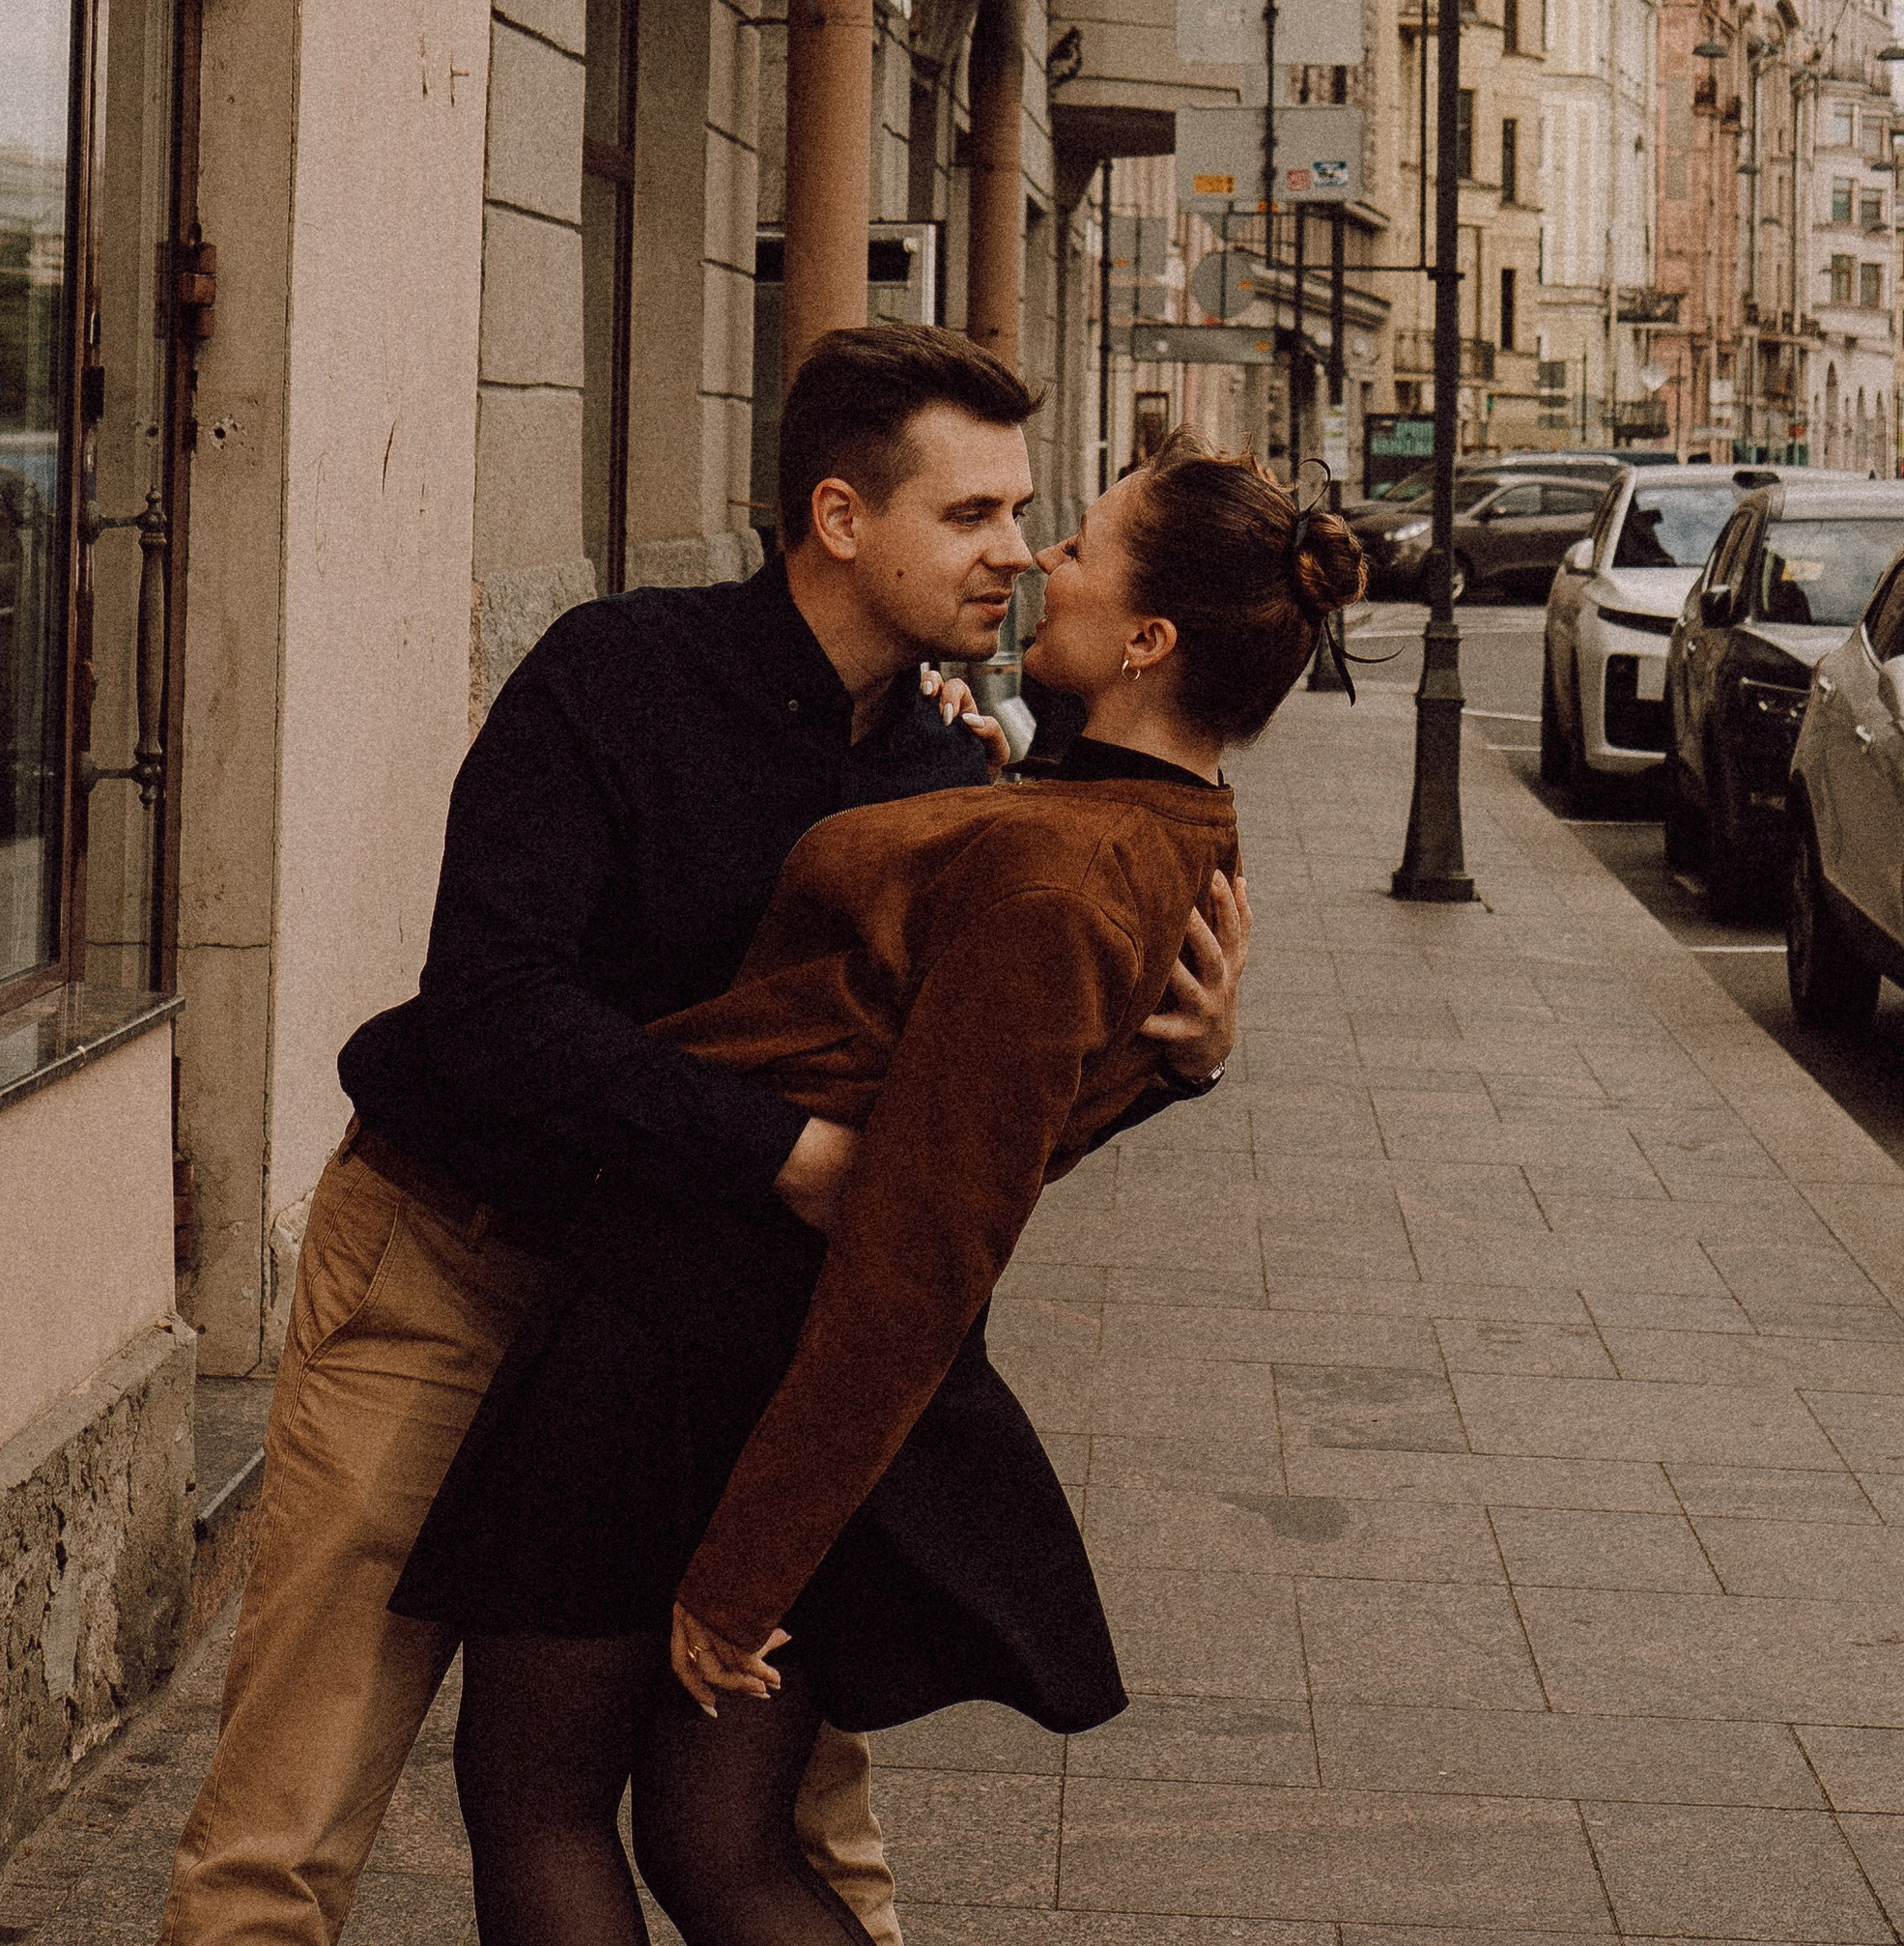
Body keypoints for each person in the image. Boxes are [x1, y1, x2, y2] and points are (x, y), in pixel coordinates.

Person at [160, 333, 1250, 1946]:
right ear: (837, 518)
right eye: (972, 516)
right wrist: (786, 1157)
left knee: (791, 1818)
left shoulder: (955, 764)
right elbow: (491, 1002)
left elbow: (965, 1115)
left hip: (695, 1339)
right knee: (292, 1817)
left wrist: (1173, 1060)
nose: (1018, 552)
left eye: (1029, 515)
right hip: (456, 1267)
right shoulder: (618, 674)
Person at [389, 442, 1362, 1946]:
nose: (1045, 561)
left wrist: (743, 1572)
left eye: (1081, 547)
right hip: (738, 1337)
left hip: (683, 1333)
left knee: (542, 1804)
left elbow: (929, 1245)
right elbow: (989, 1121)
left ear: (1150, 640)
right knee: (719, 1847)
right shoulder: (1145, 833)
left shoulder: (1057, 873)